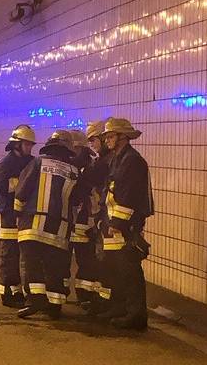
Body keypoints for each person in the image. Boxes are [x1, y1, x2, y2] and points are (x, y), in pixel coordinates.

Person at [13, 130, 79, 319]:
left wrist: (18, 212)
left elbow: (22, 190)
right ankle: (55, 305)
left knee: (31, 264)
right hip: (60, 229)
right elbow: (77, 200)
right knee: (55, 267)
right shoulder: (74, 171)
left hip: (33, 225)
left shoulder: (38, 163)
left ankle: (35, 301)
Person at [99, 118, 153, 331]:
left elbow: (128, 194)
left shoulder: (132, 161)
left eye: (110, 136)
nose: (107, 140)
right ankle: (120, 307)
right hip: (114, 224)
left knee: (129, 270)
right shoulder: (117, 158)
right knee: (116, 269)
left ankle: (136, 315)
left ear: (123, 138)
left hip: (125, 226)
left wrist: (118, 222)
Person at [0, 125, 36, 307]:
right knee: (9, 253)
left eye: (30, 145)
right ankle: (8, 293)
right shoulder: (4, 164)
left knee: (22, 253)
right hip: (8, 214)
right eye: (27, 145)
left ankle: (18, 290)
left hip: (24, 213)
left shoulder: (31, 162)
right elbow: (1, 186)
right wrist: (25, 182)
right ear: (16, 144)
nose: (30, 148)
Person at [71, 121, 111, 313]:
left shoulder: (98, 165)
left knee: (92, 260)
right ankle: (87, 296)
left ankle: (92, 298)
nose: (91, 144)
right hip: (87, 221)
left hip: (92, 221)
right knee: (86, 260)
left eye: (93, 140)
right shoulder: (94, 163)